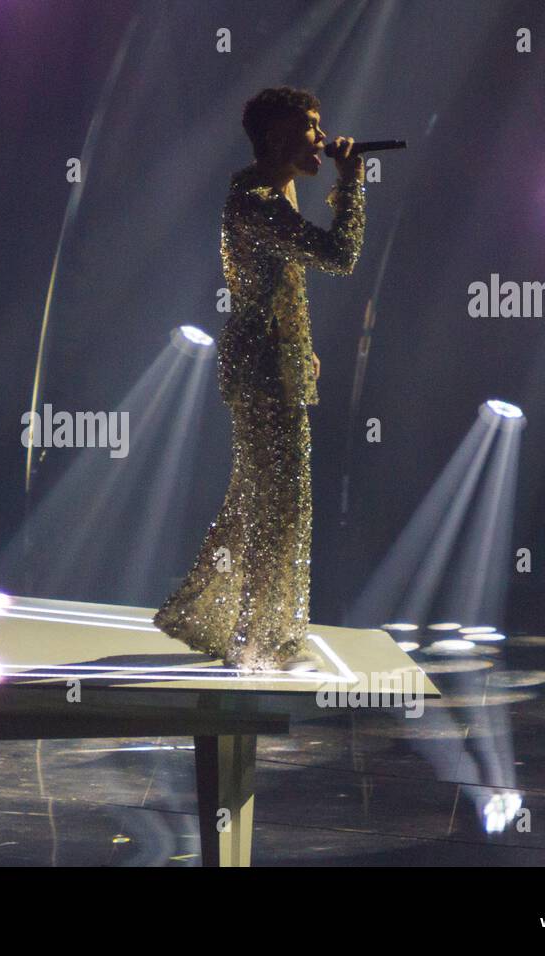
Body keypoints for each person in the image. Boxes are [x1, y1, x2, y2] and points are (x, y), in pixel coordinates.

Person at [154, 87, 367, 672]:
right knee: (280, 505)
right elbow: (338, 255)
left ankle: (224, 623)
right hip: (261, 367)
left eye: (321, 124)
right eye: (309, 127)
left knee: (259, 500)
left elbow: (285, 283)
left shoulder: (273, 189)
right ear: (274, 137)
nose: (322, 137)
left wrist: (306, 345)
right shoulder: (254, 199)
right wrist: (351, 185)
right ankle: (260, 639)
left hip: (275, 359)